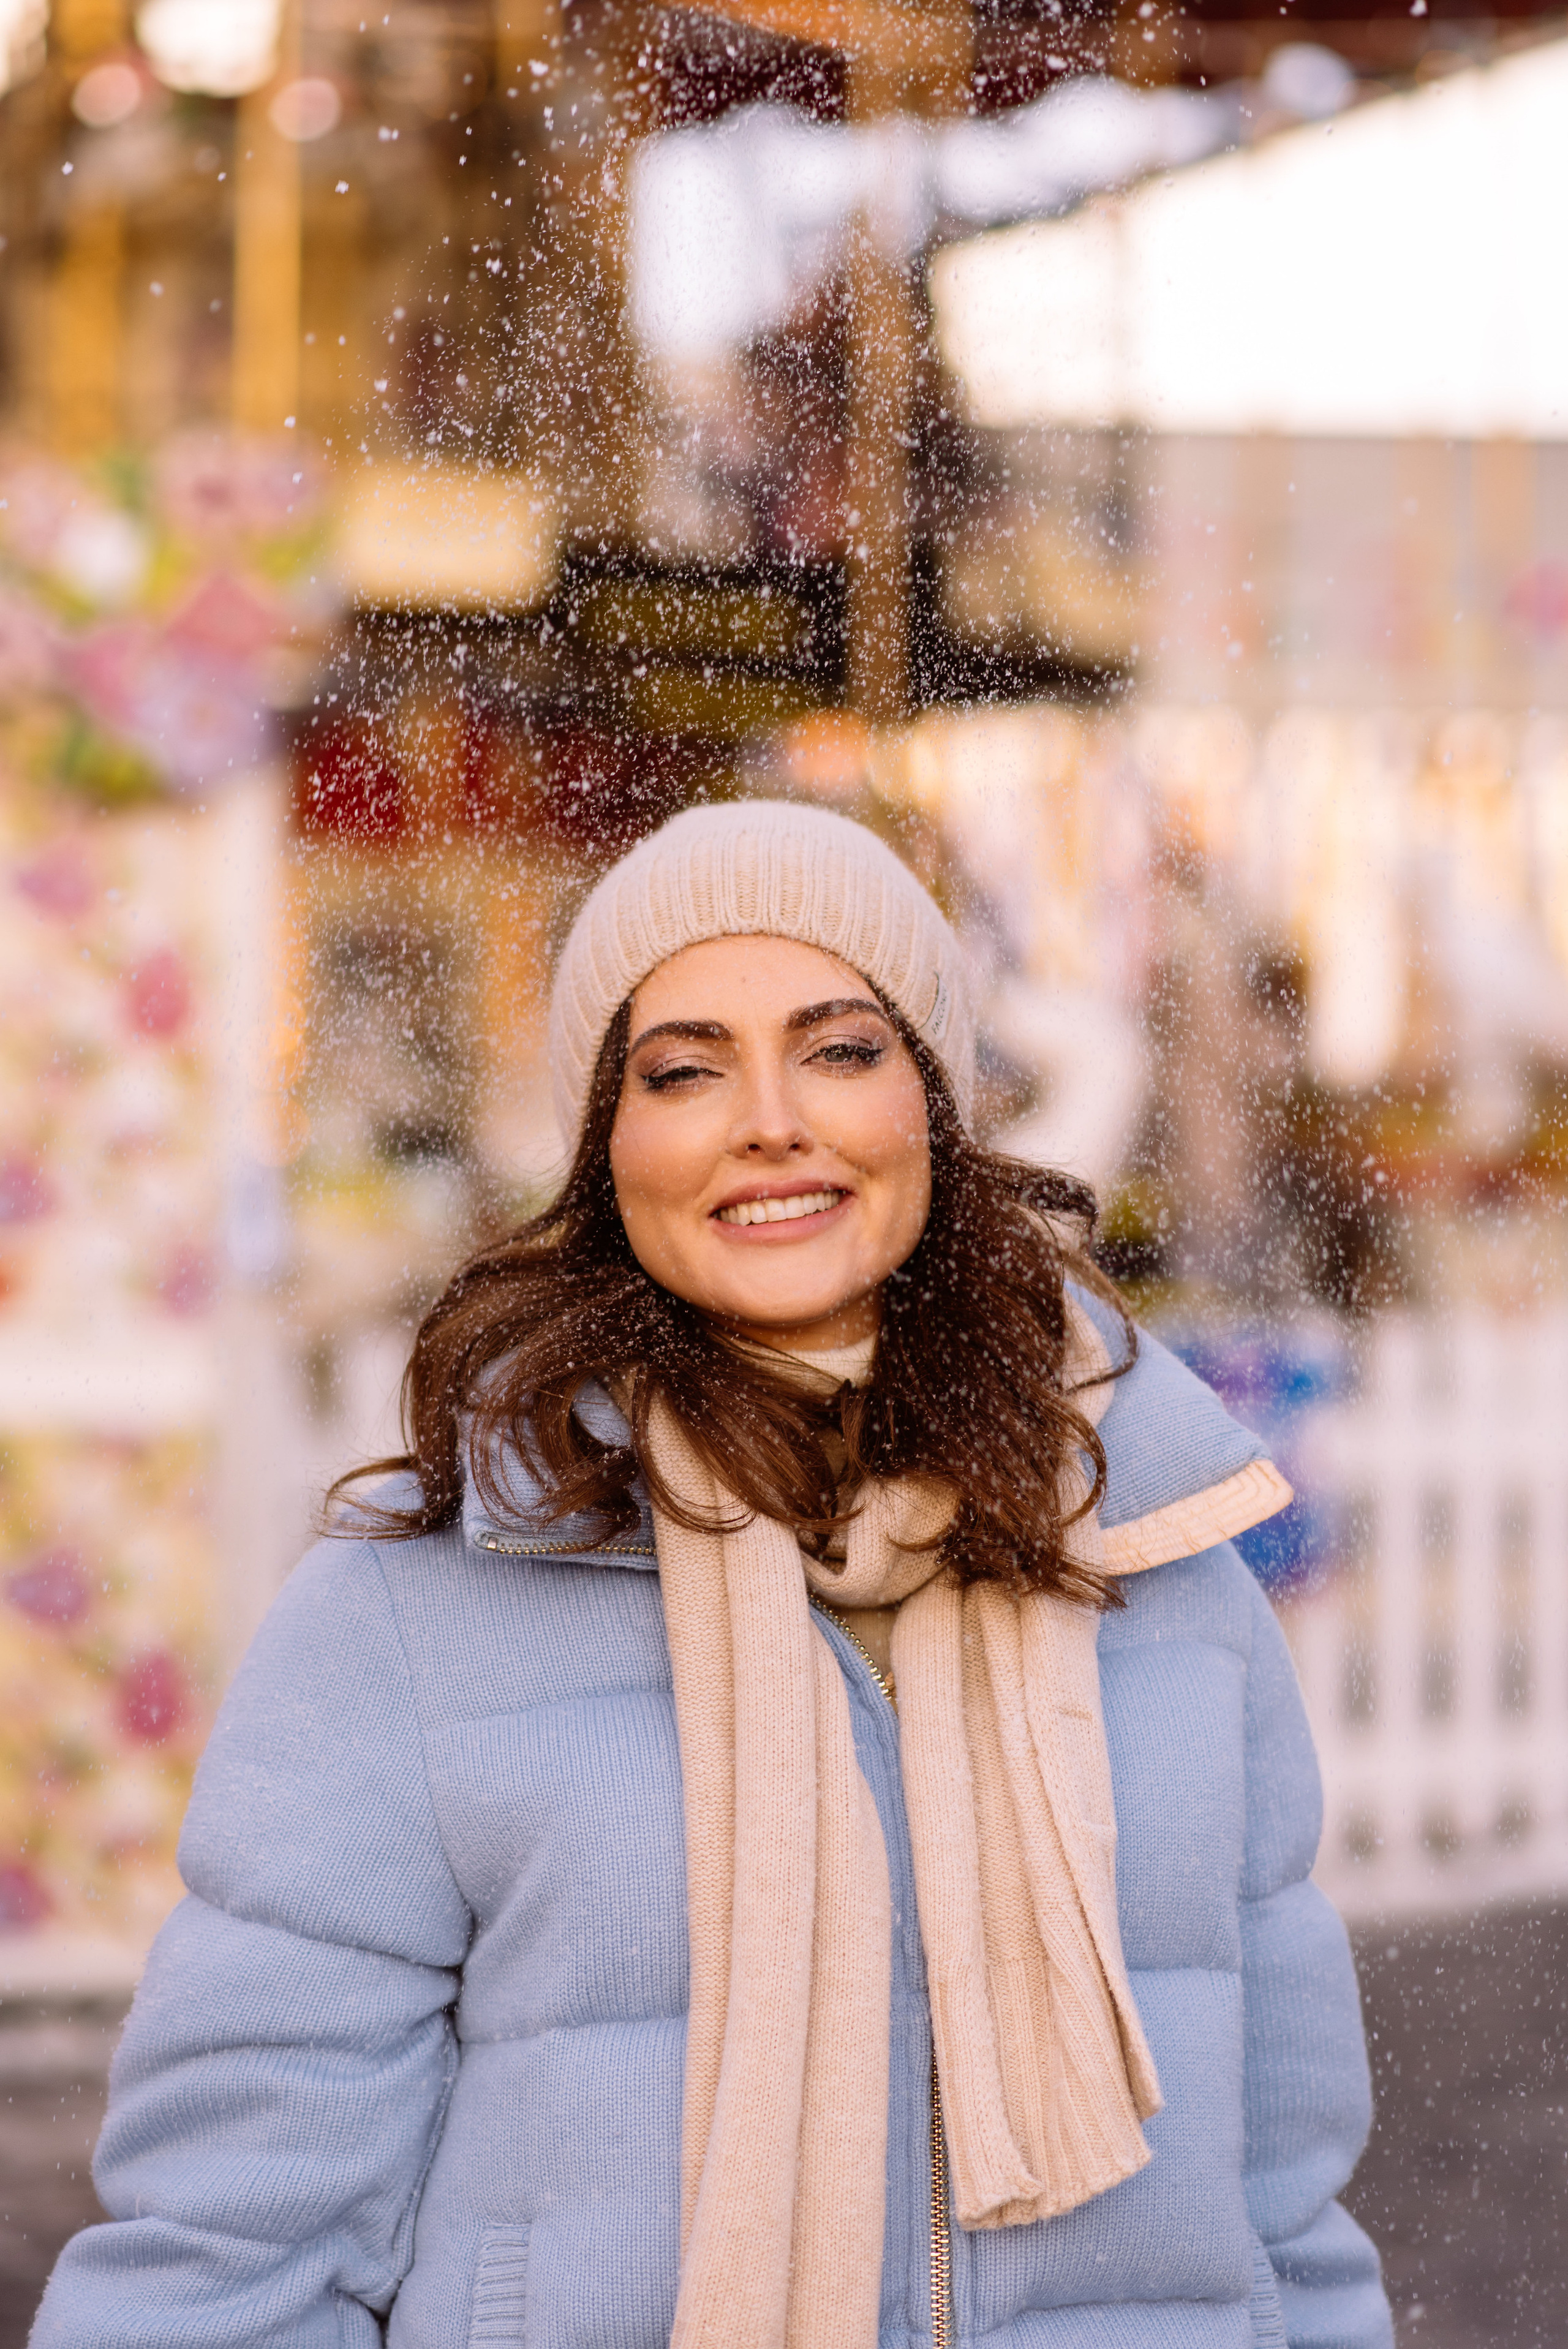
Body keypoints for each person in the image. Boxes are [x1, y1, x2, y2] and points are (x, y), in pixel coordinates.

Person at [35, 800, 1393, 2349]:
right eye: (682, 1069)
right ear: (605, 1145)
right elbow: (230, 2250)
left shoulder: (1146, 1553)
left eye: (839, 1048)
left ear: (932, 1104)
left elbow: (1282, 2217)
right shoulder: (418, 1605)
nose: (769, 1119)